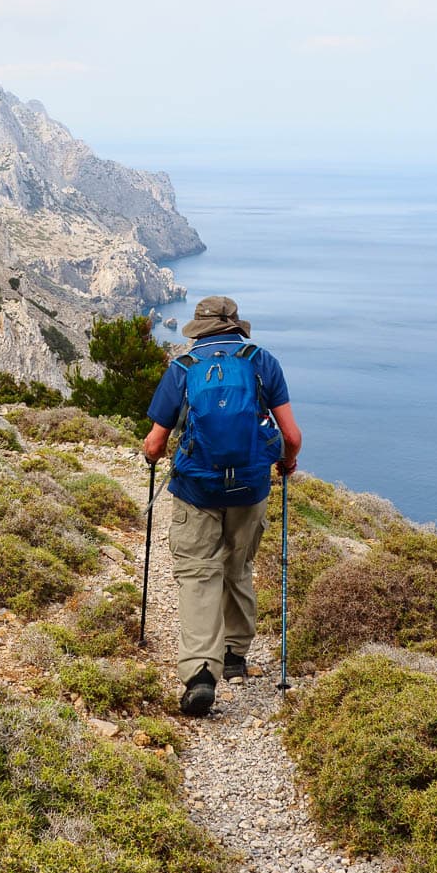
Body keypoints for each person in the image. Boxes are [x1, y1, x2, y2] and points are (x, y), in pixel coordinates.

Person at [142, 295, 302, 718]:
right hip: (250, 486)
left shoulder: (183, 368)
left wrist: (151, 456)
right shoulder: (261, 362)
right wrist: (285, 463)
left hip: (197, 487)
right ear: (236, 327)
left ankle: (200, 674)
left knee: (198, 573)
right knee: (238, 565)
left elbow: (156, 443)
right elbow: (292, 436)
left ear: (199, 330)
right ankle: (234, 653)